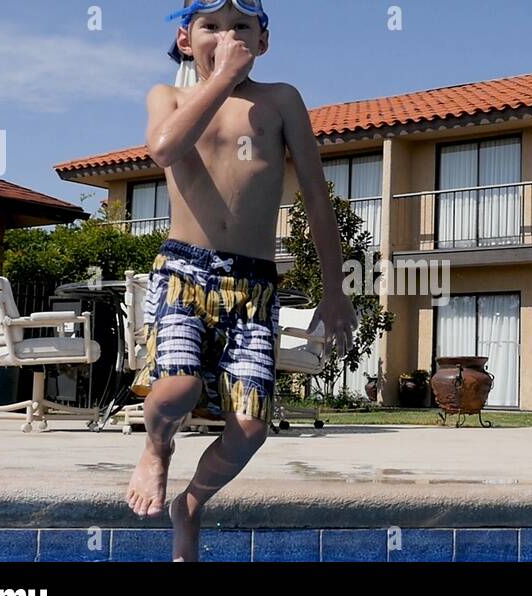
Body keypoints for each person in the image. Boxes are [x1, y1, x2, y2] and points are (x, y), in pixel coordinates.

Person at [125, 0, 360, 561]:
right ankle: (157, 449)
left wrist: (334, 288)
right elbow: (164, 148)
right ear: (186, 39)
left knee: (251, 429)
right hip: (184, 270)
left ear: (264, 41)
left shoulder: (282, 101)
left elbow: (318, 198)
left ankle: (193, 503)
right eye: (212, 26)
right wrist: (224, 77)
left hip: (254, 285)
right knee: (176, 390)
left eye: (241, 27)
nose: (227, 35)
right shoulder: (170, 98)